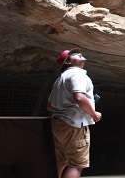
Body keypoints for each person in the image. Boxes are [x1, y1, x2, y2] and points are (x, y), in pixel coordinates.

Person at [48, 48, 102, 178]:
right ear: (68, 61)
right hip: (74, 125)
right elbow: (79, 97)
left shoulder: (60, 78)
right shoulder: (78, 74)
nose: (79, 54)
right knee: (77, 164)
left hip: (59, 124)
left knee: (62, 162)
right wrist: (94, 114)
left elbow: (50, 105)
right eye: (73, 55)